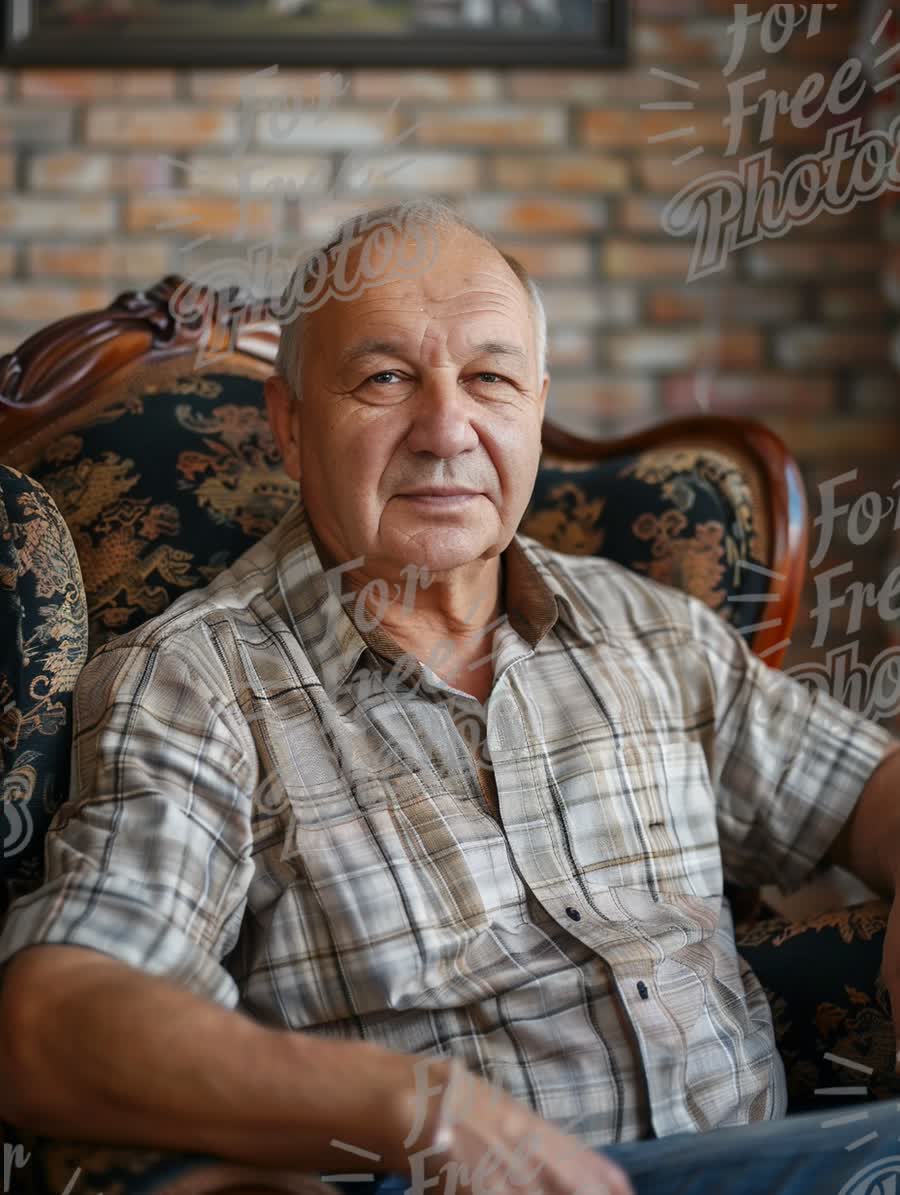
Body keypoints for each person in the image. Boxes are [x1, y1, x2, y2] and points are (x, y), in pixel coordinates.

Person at [1, 197, 899, 1195]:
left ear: (536, 408)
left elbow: (868, 787)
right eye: (386, 379)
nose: (445, 429)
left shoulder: (649, 629)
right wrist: (412, 1107)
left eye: (490, 379)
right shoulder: (193, 684)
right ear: (292, 428)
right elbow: (53, 1023)